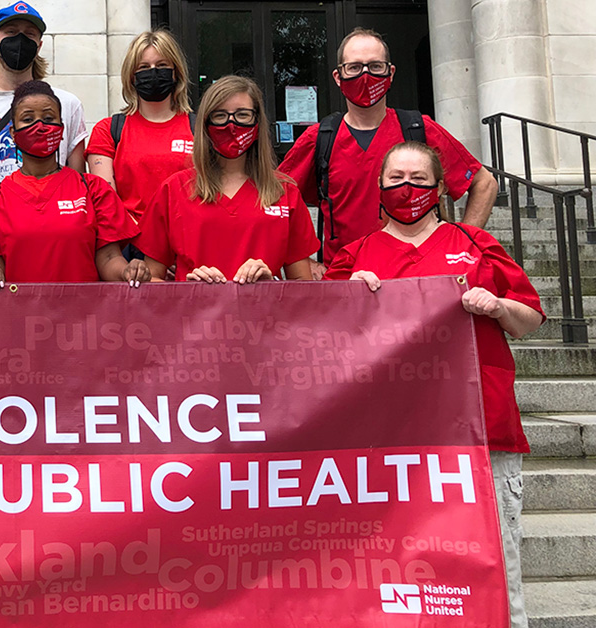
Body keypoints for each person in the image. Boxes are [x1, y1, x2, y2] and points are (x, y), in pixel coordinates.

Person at [325, 141, 543, 628]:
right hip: (390, 443)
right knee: (395, 567)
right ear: (378, 188)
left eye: (420, 180)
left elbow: (528, 320)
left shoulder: (476, 244)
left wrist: (498, 306)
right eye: (396, 179)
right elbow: (321, 353)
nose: (408, 189)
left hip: (480, 432)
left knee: (495, 565)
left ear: (441, 187)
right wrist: (344, 300)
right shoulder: (354, 256)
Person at [279, 27, 497, 276]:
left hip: (417, 279)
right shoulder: (319, 138)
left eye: (375, 66)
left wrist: (462, 247)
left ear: (390, 73)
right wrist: (303, 261)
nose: (365, 75)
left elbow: (484, 184)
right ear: (338, 77)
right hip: (345, 281)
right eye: (354, 67)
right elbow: (271, 200)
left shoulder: (420, 129)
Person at [0, 81, 150, 288]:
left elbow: (108, 258)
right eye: (27, 119)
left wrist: (128, 271)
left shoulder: (94, 190)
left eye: (49, 118)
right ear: (13, 134)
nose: (39, 126)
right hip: (16, 316)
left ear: (61, 129)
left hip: (83, 316)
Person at [135, 75, 319, 284]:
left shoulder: (285, 193)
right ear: (204, 126)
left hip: (264, 316)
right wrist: (188, 290)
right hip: (194, 315)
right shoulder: (174, 189)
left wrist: (272, 284)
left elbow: (303, 287)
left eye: (243, 115)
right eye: (220, 116)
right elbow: (151, 282)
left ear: (258, 125)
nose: (232, 125)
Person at [0, 1, 88, 202]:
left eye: (29, 34)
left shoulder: (68, 104)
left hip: (51, 222)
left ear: (39, 45)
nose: (20, 39)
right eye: (11, 32)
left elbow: (78, 181)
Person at [87, 29, 195, 225]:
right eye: (144, 67)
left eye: (162, 65)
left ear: (175, 73)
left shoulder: (200, 129)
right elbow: (107, 200)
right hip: (131, 242)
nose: (153, 72)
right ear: (132, 76)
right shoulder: (108, 130)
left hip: (188, 239)